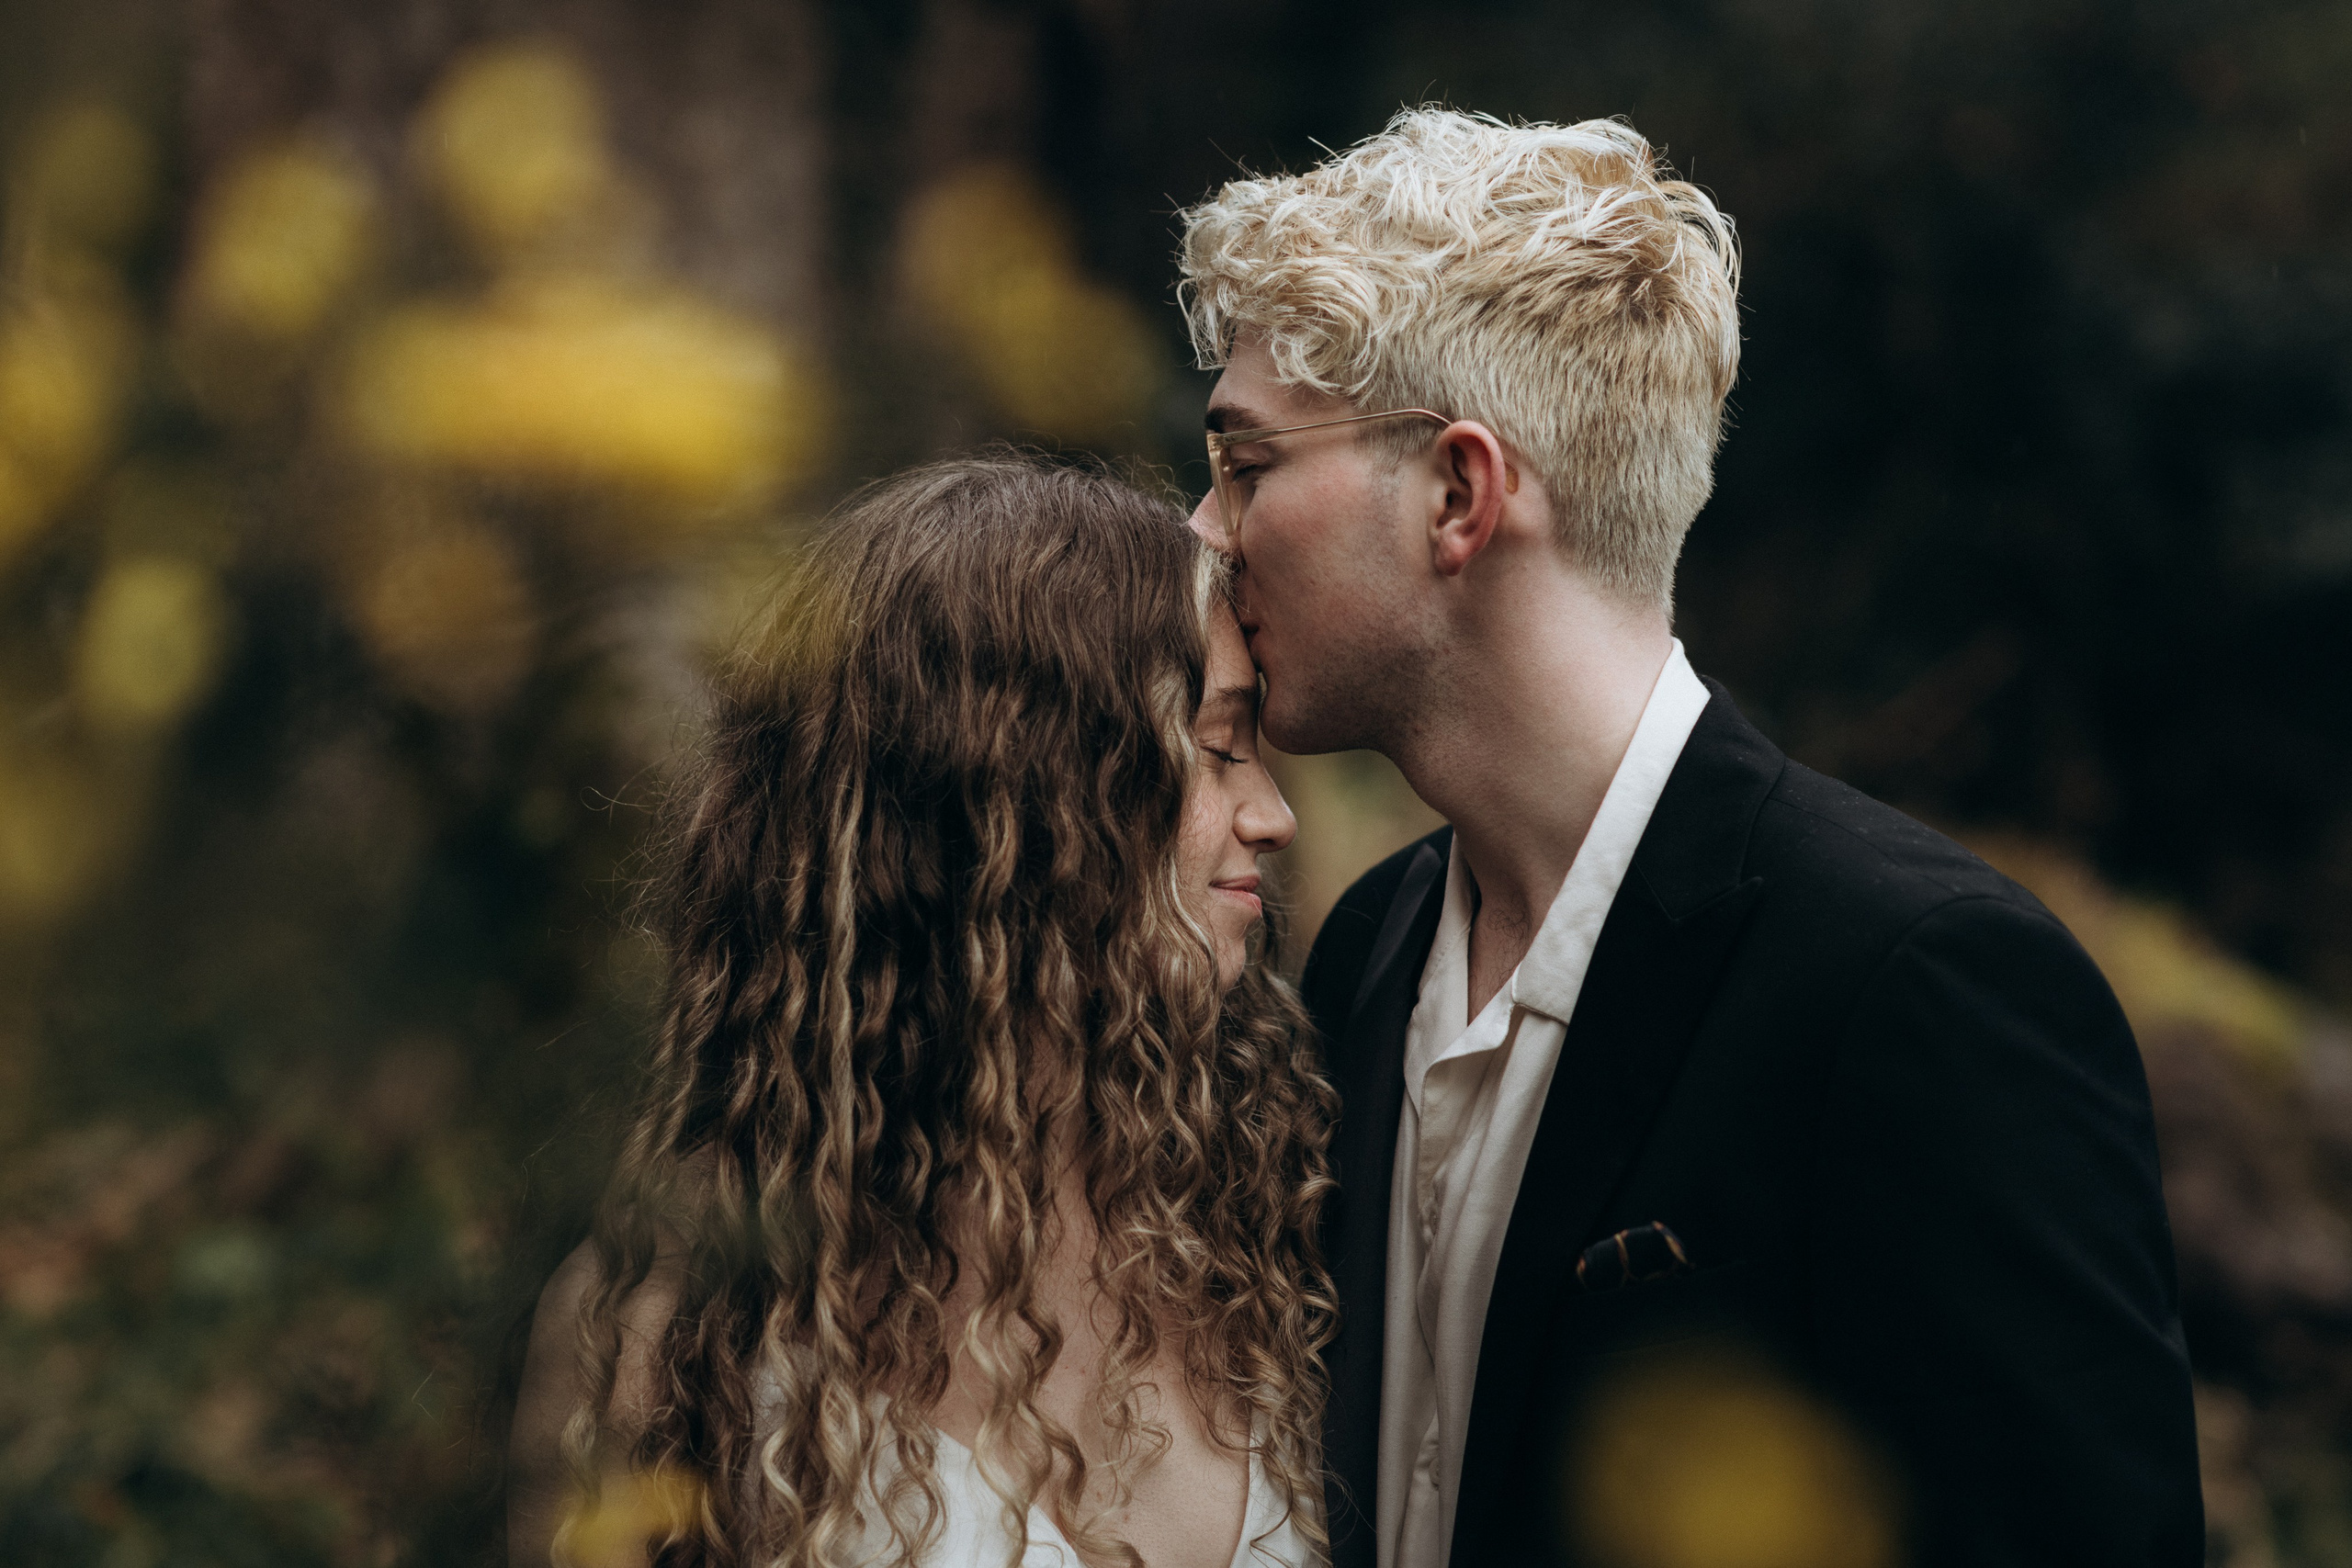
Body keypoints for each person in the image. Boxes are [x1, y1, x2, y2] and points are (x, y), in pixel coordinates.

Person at [1177, 108, 2202, 1568]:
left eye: (1248, 462)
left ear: (1458, 494)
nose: (1209, 528)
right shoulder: (1364, 947)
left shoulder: (1917, 984)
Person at [507, 456, 1335, 1568]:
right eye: (1217, 748)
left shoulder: (1274, 1236)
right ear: (1023, 797)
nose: (1270, 815)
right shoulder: (682, 1331)